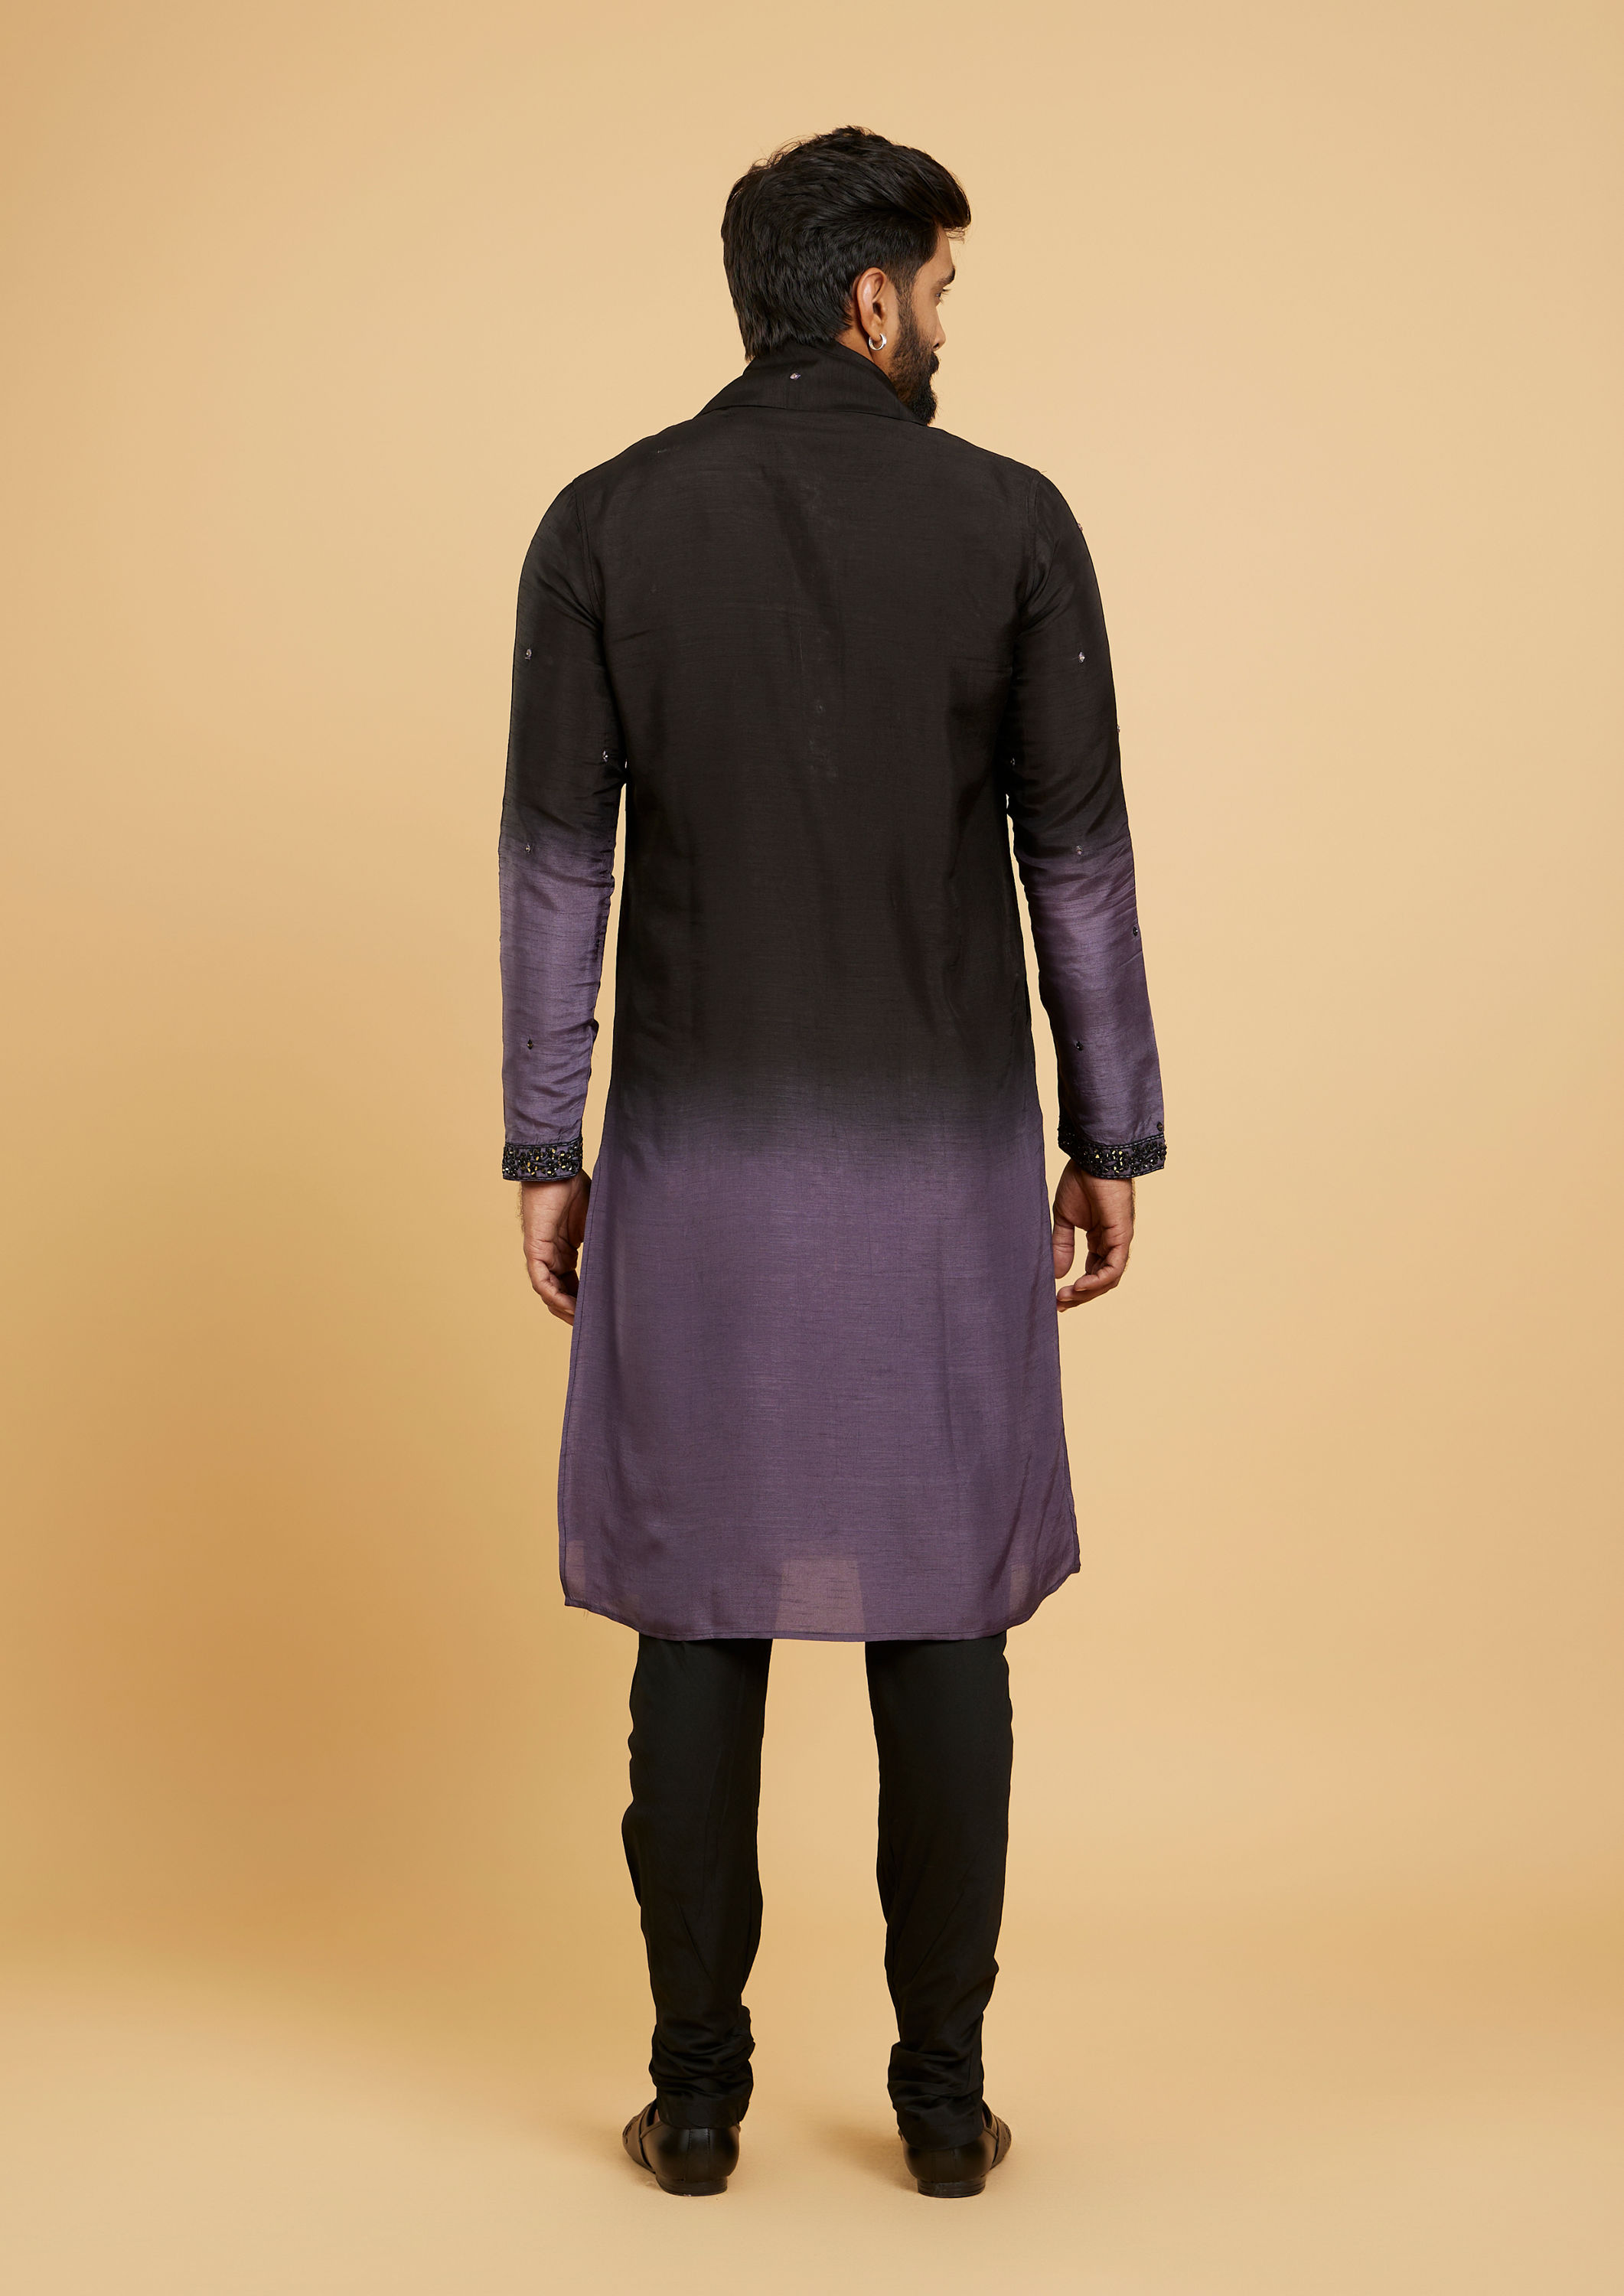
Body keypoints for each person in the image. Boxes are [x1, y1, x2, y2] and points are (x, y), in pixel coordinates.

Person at [498, 126, 1166, 2200]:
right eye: (940, 290)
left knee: (696, 1618)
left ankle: (696, 2103)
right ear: (871, 299)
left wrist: (543, 1140)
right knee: (939, 1621)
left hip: (696, 1174)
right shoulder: (1011, 524)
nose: (947, 326)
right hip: (939, 1175)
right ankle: (943, 2109)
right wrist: (1108, 1131)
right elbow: (1077, 865)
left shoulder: (605, 523)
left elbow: (556, 873)